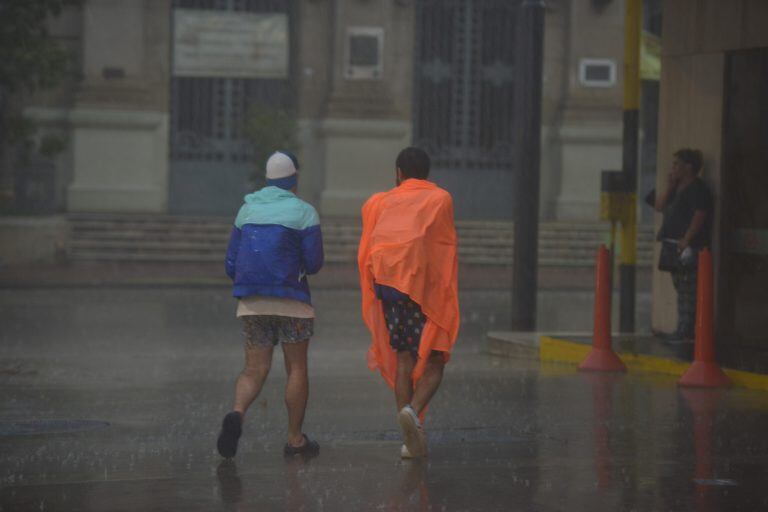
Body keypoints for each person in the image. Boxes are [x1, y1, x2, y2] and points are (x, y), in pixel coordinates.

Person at [217, 150, 324, 458]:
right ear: (295, 179)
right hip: (292, 300)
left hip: (252, 301)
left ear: (268, 180)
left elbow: (230, 264)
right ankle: (295, 440)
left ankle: (236, 413)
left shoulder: (246, 209)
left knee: (253, 370)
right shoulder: (304, 212)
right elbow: (314, 263)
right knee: (296, 369)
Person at [358, 146, 460, 458]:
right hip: (422, 293)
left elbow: (368, 247)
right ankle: (413, 414)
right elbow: (442, 250)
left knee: (403, 358)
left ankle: (409, 439)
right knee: (435, 362)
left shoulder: (381, 201)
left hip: (390, 289)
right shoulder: (440, 199)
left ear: (399, 173)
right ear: (427, 173)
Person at [654, 148, 713, 344]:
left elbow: (700, 214)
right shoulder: (676, 187)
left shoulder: (698, 188)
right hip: (671, 244)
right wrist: (670, 186)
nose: (673, 168)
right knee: (680, 288)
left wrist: (687, 238)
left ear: (689, 167)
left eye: (677, 164)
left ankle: (687, 331)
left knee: (689, 289)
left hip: (688, 246)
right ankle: (682, 328)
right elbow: (659, 206)